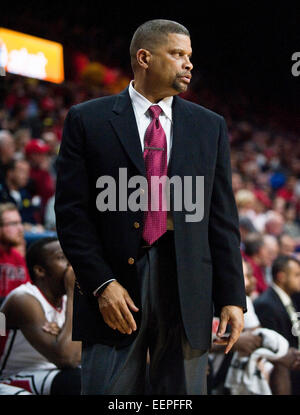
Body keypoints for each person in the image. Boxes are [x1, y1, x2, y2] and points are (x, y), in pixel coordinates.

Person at [55, 19, 246, 395]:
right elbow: (72, 214)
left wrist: (231, 297)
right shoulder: (87, 119)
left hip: (188, 282)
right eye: (177, 54)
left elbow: (222, 219)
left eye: (189, 56)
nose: (188, 64)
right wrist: (101, 284)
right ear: (144, 57)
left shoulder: (211, 126)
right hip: (115, 284)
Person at [0, 237, 81, 395]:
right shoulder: (23, 299)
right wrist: (74, 295)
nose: (70, 265)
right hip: (10, 378)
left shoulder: (64, 301)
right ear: (40, 270)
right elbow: (67, 359)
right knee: (76, 381)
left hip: (50, 373)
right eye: (61, 257)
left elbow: (82, 353)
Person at [254, 255, 300, 394]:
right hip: (281, 373)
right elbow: (272, 346)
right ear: (281, 276)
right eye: (297, 275)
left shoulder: (292, 297)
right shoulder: (266, 304)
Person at [0, 203, 30, 305]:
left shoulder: (17, 257)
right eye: (14, 224)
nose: (20, 228)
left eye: (20, 223)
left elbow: (28, 294)